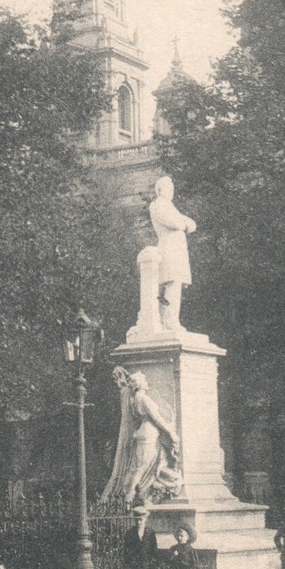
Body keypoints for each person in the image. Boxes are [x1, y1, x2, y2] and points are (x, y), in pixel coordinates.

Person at [102, 368, 182, 505]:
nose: (146, 382)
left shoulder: (132, 399)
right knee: (140, 466)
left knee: (139, 466)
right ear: (139, 384)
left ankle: (129, 493)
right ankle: (129, 494)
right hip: (149, 434)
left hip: (143, 432)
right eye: (144, 380)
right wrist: (171, 433)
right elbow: (157, 419)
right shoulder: (143, 399)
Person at [149, 176, 196, 331]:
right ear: (160, 190)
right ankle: (169, 320)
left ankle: (171, 319)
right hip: (168, 247)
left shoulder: (170, 206)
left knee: (177, 284)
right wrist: (184, 224)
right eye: (168, 188)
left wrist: (185, 223)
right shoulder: (157, 205)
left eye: (172, 188)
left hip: (177, 249)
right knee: (171, 282)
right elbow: (176, 223)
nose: (172, 191)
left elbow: (191, 223)